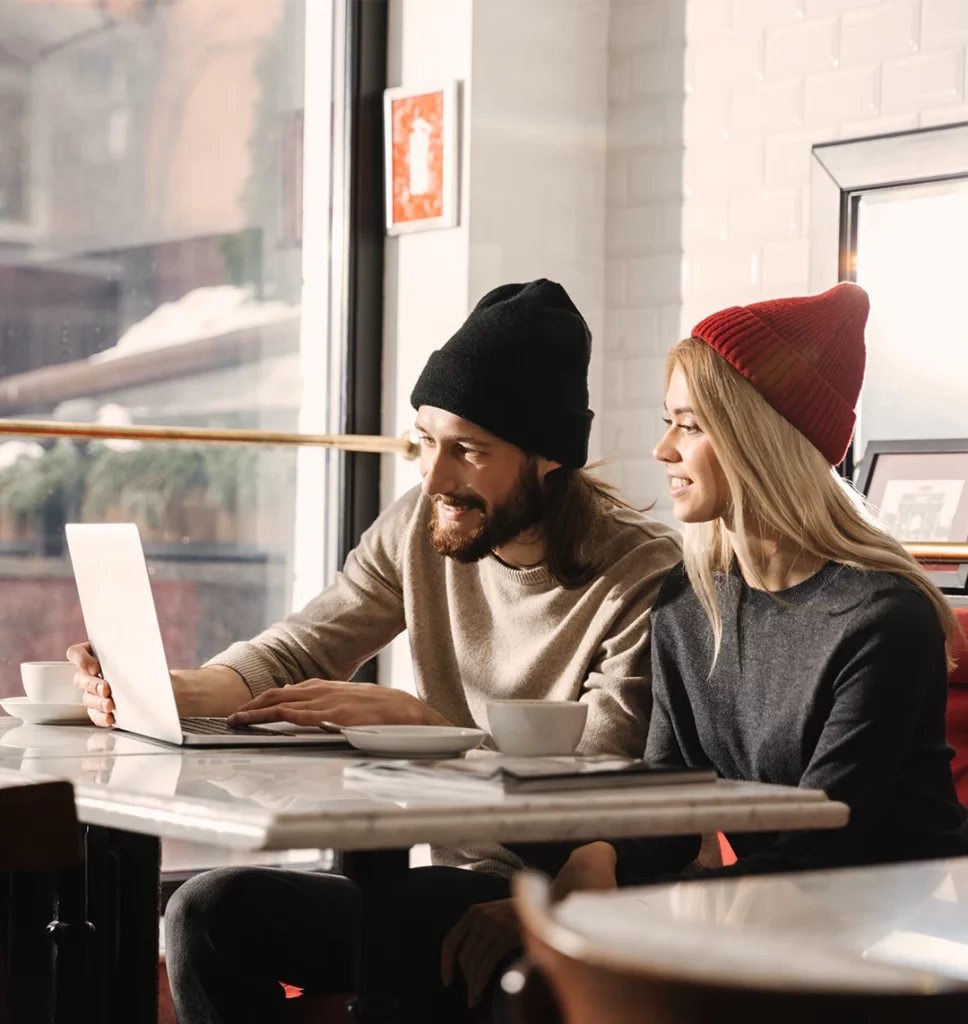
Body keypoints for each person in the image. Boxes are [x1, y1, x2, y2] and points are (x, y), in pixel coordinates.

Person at [68, 279, 682, 1022]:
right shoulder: (419, 526)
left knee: (409, 912)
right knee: (206, 912)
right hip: (446, 881)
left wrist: (435, 735)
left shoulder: (640, 574)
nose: (435, 478)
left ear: (548, 457)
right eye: (426, 440)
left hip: (577, 886)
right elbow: (305, 646)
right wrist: (170, 691)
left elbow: (601, 794)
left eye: (468, 450)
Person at [551, 283, 968, 899]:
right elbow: (674, 803)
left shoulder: (881, 618)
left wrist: (644, 919)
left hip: (909, 933)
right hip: (778, 914)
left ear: (759, 441)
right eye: (669, 422)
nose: (662, 449)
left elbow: (823, 843)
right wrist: (599, 856)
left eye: (689, 427)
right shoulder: (689, 604)